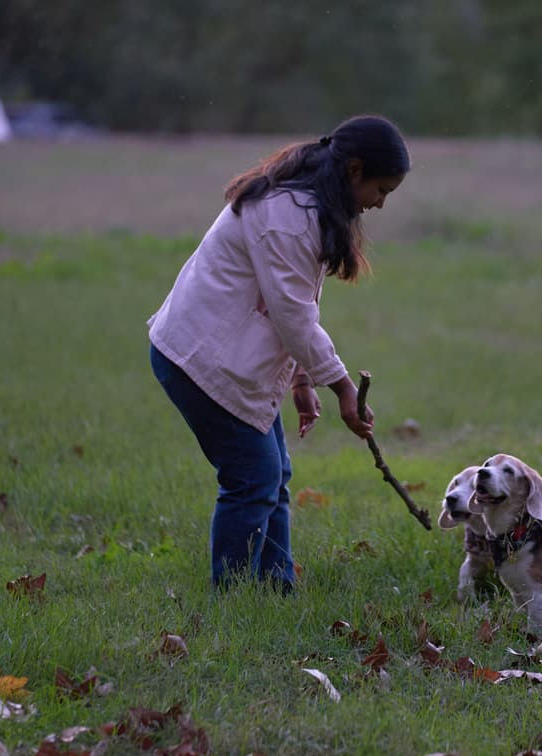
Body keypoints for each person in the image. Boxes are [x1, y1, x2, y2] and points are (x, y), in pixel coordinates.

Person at [148, 115, 410, 592]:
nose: (379, 202)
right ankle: (231, 601)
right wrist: (342, 387)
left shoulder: (305, 208)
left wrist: (302, 380)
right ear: (354, 170)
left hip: (234, 360)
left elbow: (293, 301)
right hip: (201, 360)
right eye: (380, 188)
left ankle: (274, 590)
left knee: (274, 475)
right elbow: (294, 316)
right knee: (253, 480)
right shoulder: (287, 216)